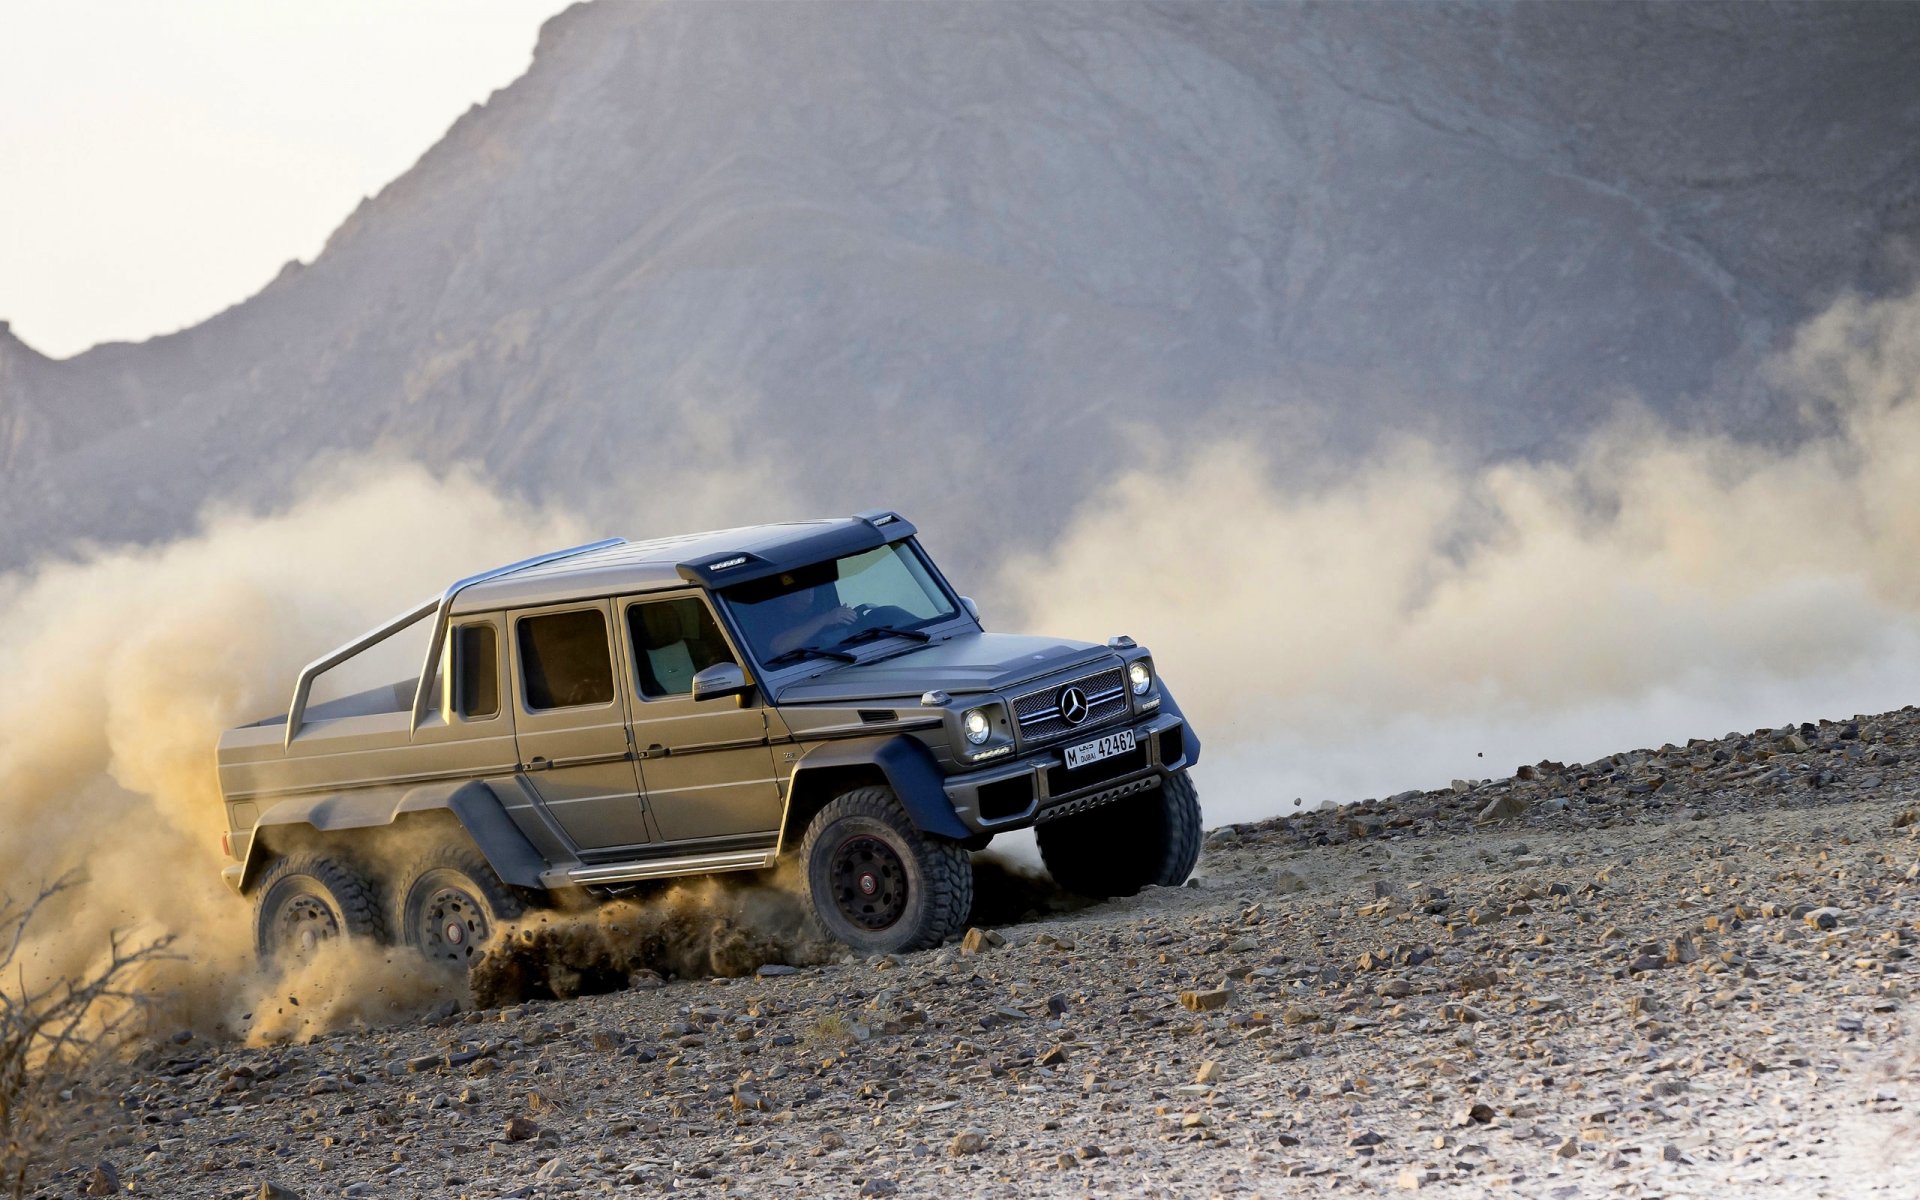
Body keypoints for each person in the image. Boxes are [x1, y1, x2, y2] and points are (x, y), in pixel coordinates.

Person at [766, 584, 857, 656]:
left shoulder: (822, 607)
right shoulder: (772, 619)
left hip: (838, 655)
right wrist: (825, 619)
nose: (810, 589)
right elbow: (780, 647)